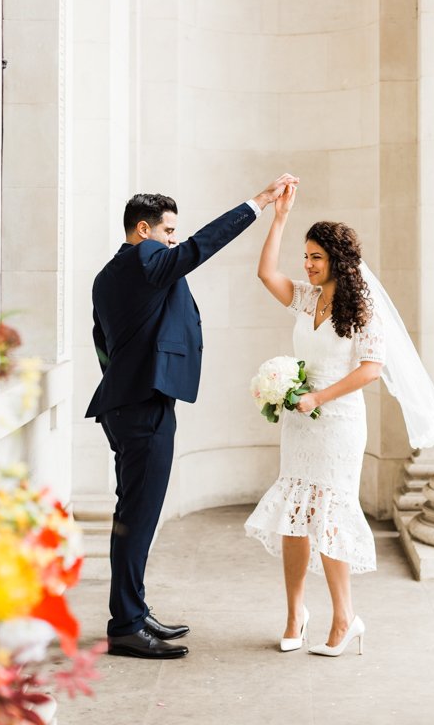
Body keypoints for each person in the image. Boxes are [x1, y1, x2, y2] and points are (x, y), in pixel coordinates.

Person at [87, 174, 299, 659]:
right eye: (168, 233)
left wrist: (126, 378)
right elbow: (199, 249)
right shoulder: (146, 259)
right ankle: (125, 625)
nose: (173, 243)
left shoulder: (107, 276)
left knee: (132, 515)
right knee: (137, 519)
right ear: (143, 230)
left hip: (126, 403)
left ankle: (133, 613)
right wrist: (258, 203)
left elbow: (102, 340)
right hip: (142, 407)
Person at [245, 185, 434, 658]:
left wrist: (318, 395)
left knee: (329, 515)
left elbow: (371, 369)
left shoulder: (363, 311)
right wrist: (279, 218)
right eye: (305, 256)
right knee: (295, 515)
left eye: (316, 257)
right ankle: (295, 613)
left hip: (337, 421)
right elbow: (265, 273)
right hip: (300, 422)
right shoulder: (307, 299)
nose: (308, 265)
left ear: (338, 259)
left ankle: (345, 617)